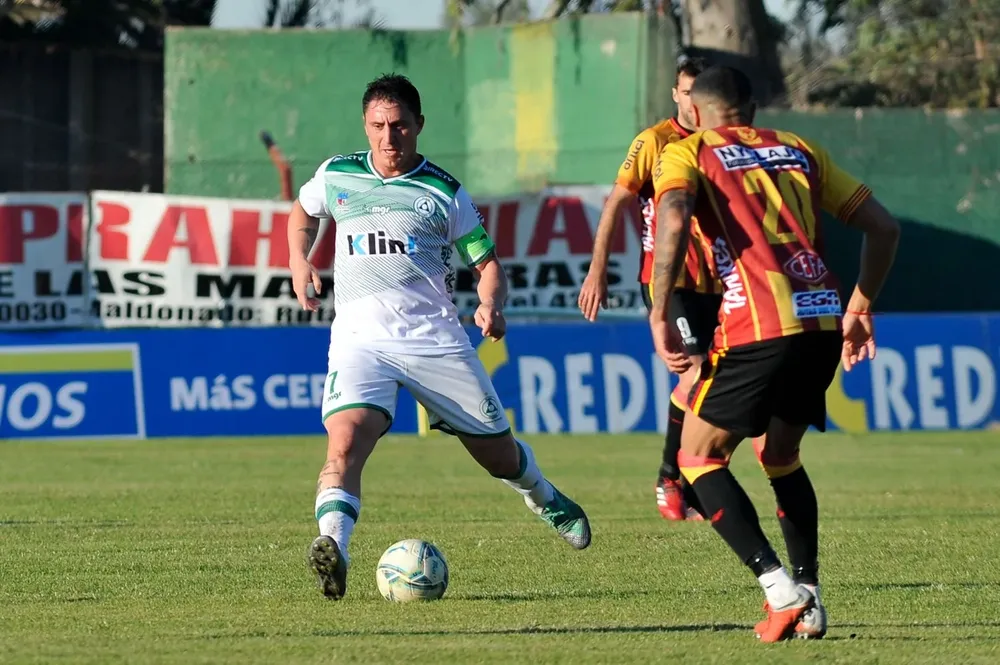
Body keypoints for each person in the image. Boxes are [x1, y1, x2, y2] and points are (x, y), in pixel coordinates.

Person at [288, 73, 592, 601]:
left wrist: (492, 305)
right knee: (343, 447)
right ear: (365, 125)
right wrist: (299, 260)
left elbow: (487, 264)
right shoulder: (336, 175)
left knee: (497, 456)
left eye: (400, 126)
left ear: (419, 126)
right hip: (361, 343)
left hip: (435, 342)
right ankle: (331, 546)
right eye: (378, 126)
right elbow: (304, 211)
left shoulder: (443, 192)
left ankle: (542, 494)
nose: (389, 138)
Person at [649, 66, 900, 642]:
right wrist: (860, 307)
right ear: (752, 107)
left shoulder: (690, 151)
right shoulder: (800, 149)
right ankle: (810, 598)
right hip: (820, 322)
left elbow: (673, 217)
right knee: (781, 455)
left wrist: (660, 309)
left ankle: (779, 590)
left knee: (698, 459)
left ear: (700, 110)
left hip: (756, 326)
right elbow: (884, 229)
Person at [578, 57, 720, 522]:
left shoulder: (720, 141)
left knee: (717, 382)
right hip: (666, 281)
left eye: (702, 91)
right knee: (696, 373)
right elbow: (617, 201)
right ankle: (670, 475)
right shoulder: (654, 141)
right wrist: (598, 268)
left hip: (718, 281)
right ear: (676, 95)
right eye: (686, 91)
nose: (693, 100)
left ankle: (691, 477)